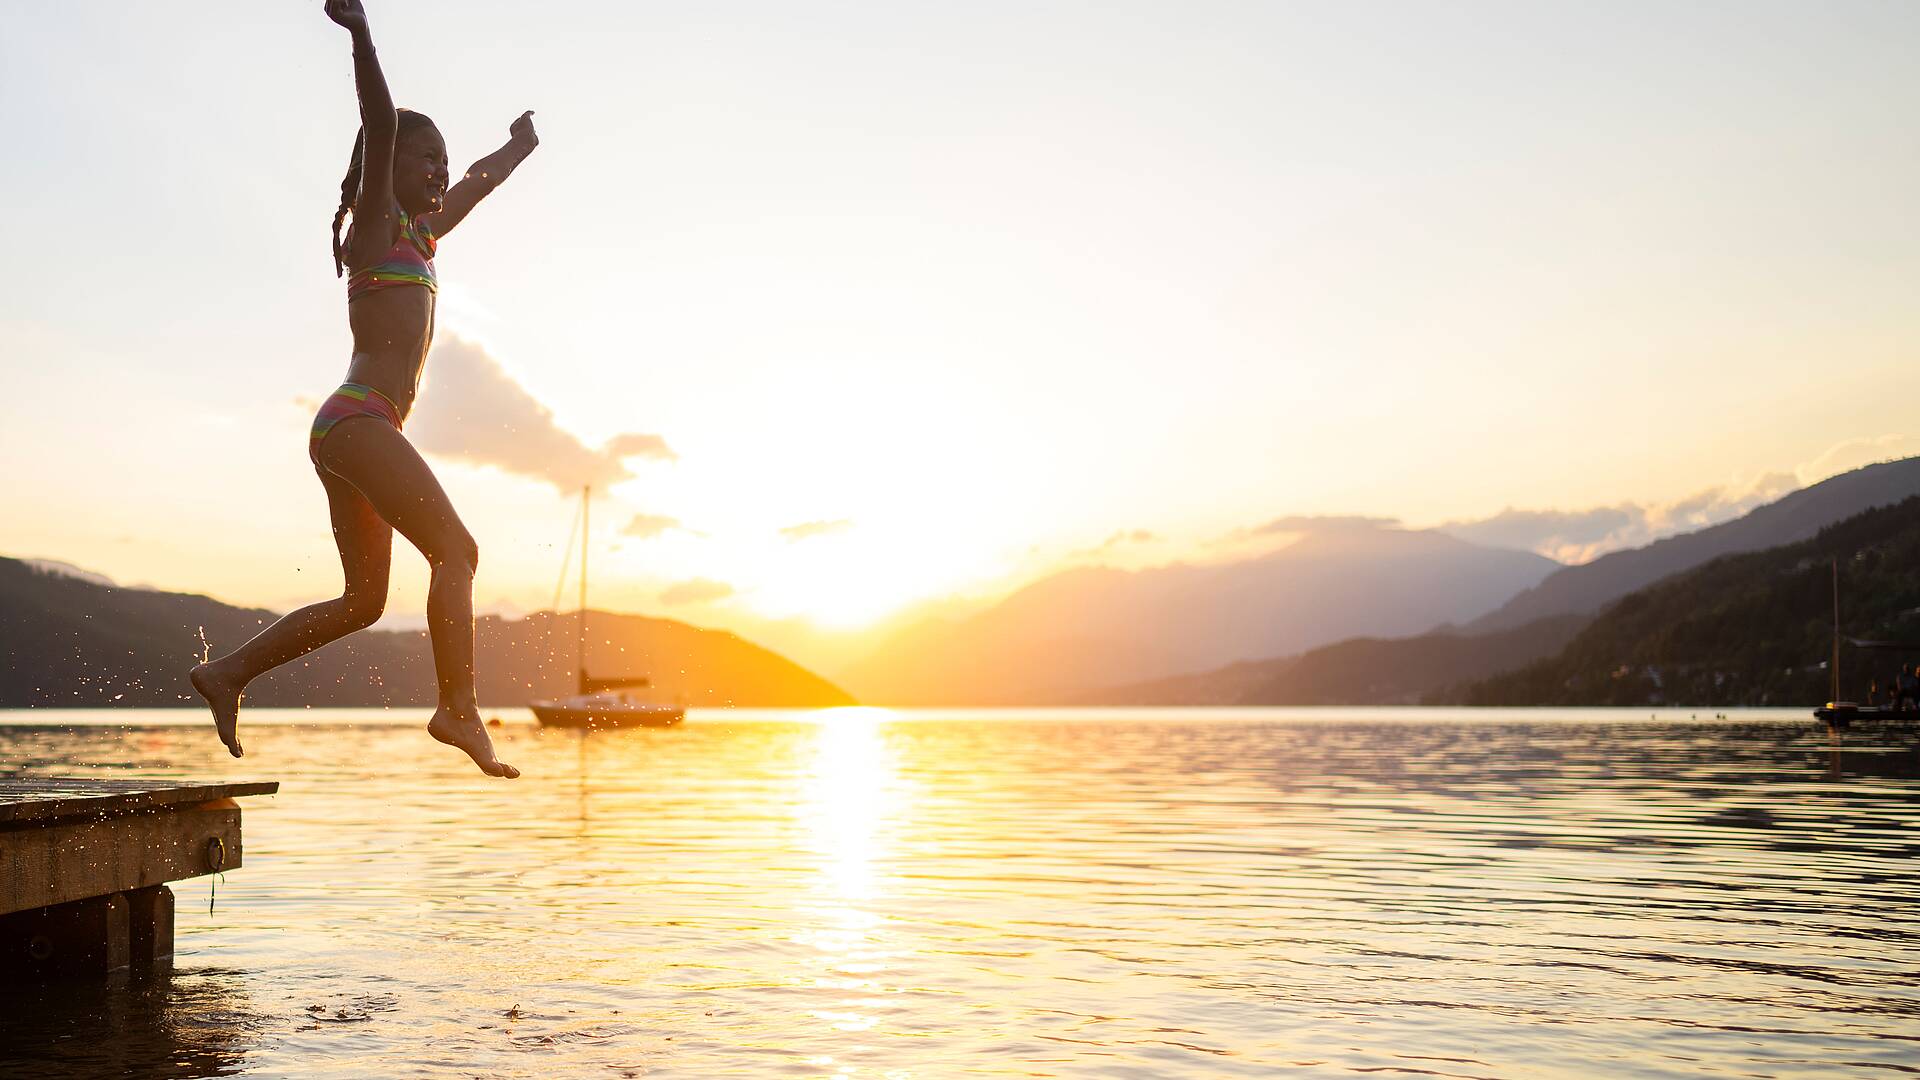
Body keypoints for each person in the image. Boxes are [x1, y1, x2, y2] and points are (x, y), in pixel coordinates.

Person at [190, 0, 539, 777]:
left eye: (442, 162)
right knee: (458, 550)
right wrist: (363, 36)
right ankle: (458, 709)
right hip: (360, 423)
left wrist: (516, 149)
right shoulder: (376, 225)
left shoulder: (423, 235)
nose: (441, 172)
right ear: (385, 170)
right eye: (427, 159)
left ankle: (228, 673)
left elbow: (479, 182)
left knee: (363, 604)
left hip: (350, 431)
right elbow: (379, 124)